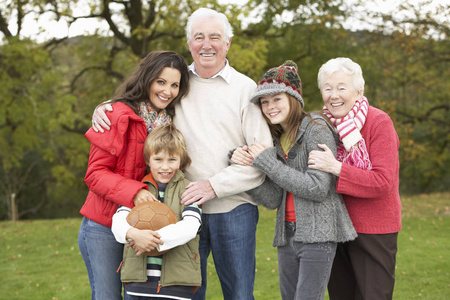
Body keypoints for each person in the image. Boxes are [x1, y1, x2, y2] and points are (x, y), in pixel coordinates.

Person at [92, 7, 272, 300]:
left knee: (240, 294)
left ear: (227, 43)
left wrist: (213, 186)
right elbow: (140, 101)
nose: (206, 44)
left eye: (215, 37)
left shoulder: (245, 88)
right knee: (183, 294)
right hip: (179, 210)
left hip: (234, 209)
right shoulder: (177, 84)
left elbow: (263, 158)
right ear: (189, 43)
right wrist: (105, 107)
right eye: (198, 37)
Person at [230, 60, 357, 300]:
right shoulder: (277, 139)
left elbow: (318, 188)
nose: (269, 107)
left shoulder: (317, 129)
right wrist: (243, 163)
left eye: (277, 99)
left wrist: (268, 163)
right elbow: (273, 198)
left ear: (294, 99)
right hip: (286, 235)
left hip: (318, 235)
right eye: (264, 102)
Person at [78, 50, 190, 300]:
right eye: (161, 82)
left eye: (174, 85)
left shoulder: (172, 122)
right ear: (147, 79)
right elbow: (95, 174)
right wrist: (135, 191)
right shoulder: (116, 115)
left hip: (147, 225)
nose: (167, 91)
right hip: (103, 226)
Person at [308, 57, 401, 299]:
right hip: (335, 227)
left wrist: (336, 168)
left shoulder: (379, 122)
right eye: (327, 88)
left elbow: (382, 182)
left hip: (373, 230)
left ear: (358, 91)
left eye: (341, 87)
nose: (334, 95)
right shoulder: (319, 124)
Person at [111, 124, 202, 300]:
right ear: (148, 160)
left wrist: (151, 241)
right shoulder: (138, 190)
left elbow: (190, 227)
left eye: (172, 160)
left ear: (181, 160)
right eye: (158, 159)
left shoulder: (188, 190)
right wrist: (134, 234)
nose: (165, 167)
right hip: (138, 284)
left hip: (177, 285)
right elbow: (118, 222)